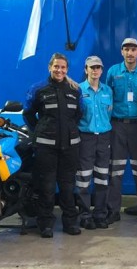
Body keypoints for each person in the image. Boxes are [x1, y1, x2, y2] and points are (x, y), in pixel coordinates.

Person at [23, 52, 82, 238]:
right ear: (50, 67)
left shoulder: (75, 90)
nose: (59, 70)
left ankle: (70, 223)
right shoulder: (38, 89)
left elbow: (78, 114)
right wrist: (40, 131)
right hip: (46, 148)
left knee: (67, 187)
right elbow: (28, 114)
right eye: (56, 66)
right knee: (46, 188)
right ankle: (46, 224)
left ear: (67, 69)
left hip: (70, 148)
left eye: (63, 67)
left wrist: (69, 131)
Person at [105, 37, 137, 224]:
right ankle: (113, 211)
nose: (130, 53)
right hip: (117, 126)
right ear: (122, 52)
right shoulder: (113, 72)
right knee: (115, 170)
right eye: (126, 49)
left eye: (133, 49)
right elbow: (106, 97)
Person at [76, 55, 113, 230]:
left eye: (98, 67)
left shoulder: (108, 91)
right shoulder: (78, 90)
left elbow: (109, 114)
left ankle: (100, 215)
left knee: (102, 179)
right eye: (92, 67)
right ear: (86, 70)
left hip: (104, 138)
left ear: (102, 70)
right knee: (83, 179)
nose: (95, 70)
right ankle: (85, 215)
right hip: (86, 138)